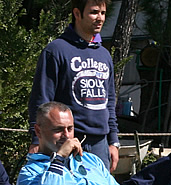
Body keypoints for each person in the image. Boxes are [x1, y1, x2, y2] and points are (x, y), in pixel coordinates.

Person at [17, 101, 150, 185]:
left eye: (70, 129)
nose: (67, 136)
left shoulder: (92, 160)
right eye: (58, 130)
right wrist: (59, 159)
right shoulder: (31, 172)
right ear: (38, 131)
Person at [27, 0, 120, 172]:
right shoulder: (56, 50)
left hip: (101, 144)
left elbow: (109, 101)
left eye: (103, 13)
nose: (100, 18)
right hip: (65, 141)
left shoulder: (104, 55)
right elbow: (41, 99)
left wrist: (113, 141)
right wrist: (36, 139)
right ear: (77, 14)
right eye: (94, 12)